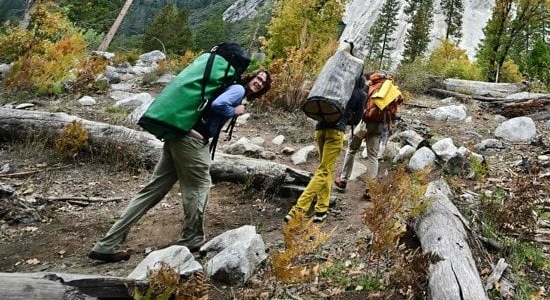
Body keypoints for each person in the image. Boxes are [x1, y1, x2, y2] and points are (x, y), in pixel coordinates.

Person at [88, 68, 272, 262]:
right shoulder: (238, 90)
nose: (258, 82)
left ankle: (107, 244)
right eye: (258, 77)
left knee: (153, 191)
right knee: (200, 185)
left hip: (179, 135)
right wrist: (234, 110)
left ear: (263, 88)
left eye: (263, 81)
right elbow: (220, 104)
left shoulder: (232, 88)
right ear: (250, 77)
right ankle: (192, 237)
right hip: (191, 140)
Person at [285, 64, 365, 223]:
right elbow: (357, 119)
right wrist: (345, 118)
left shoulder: (338, 84)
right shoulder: (360, 93)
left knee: (326, 169)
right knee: (323, 171)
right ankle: (298, 209)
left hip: (320, 129)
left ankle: (321, 209)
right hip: (336, 132)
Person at [334, 71, 395, 199]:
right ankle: (370, 189)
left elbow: (362, 105)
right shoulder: (389, 87)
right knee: (373, 155)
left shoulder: (370, 86)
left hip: (365, 123)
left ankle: (343, 180)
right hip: (379, 125)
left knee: (352, 149)